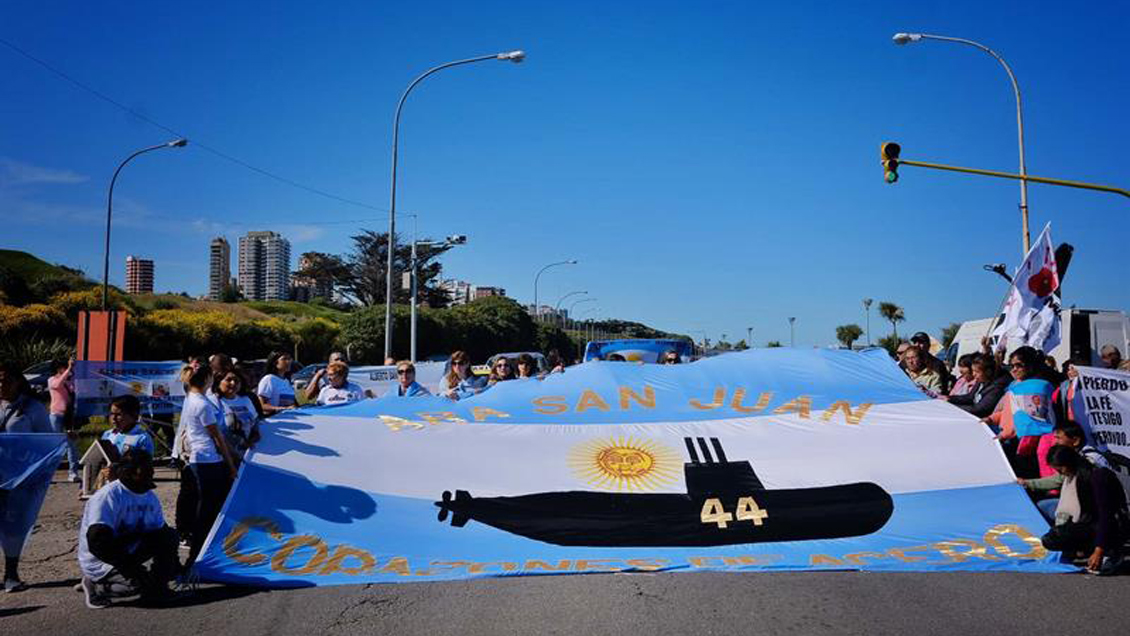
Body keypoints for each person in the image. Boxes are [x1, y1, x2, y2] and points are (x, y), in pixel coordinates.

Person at [78, 449, 179, 608]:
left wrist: (172, 568)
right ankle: (97, 584)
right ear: (129, 472)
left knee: (169, 536)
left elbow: (161, 534)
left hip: (127, 550)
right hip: (101, 558)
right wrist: (132, 570)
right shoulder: (108, 496)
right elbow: (98, 542)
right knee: (136, 586)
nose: (150, 471)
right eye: (144, 468)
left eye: (150, 467)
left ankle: (157, 589)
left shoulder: (149, 497)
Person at [176, 365, 238, 569]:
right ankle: (197, 556)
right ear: (207, 380)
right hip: (207, 460)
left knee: (206, 509)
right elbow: (217, 437)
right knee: (208, 511)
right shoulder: (202, 404)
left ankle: (200, 553)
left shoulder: (191, 398)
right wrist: (231, 465)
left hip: (199, 458)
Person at [0, 361, 54, 592]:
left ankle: (11, 575)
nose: (1, 385)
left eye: (6, 380)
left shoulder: (33, 408)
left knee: (14, 526)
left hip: (19, 478)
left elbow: (47, 442)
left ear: (18, 382)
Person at [1039, 445, 1128, 575]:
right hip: (1092, 522)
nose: (1060, 473)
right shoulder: (1076, 477)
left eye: (1061, 469)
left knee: (1102, 569)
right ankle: (1086, 549)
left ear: (1069, 462)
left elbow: (1106, 516)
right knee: (1052, 539)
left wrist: (1099, 551)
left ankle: (1111, 552)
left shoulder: (1098, 476)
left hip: (1113, 525)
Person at [985, 347, 1058, 477]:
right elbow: (1009, 412)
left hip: (1029, 440)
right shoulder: (1014, 387)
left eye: (1019, 365)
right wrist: (990, 419)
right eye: (1012, 365)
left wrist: (1005, 434)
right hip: (1011, 438)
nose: (1014, 369)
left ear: (1030, 365)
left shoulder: (1040, 387)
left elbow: (1028, 417)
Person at [1019, 421, 1112, 523]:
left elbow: (1075, 502)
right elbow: (1058, 479)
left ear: (1075, 441)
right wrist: (1027, 483)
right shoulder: (1073, 460)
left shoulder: (1088, 464)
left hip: (1090, 514)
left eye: (1059, 438)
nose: (1055, 442)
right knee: (1042, 506)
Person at [215, 369, 260, 465]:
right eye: (229, 380)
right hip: (223, 458)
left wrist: (253, 437)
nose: (233, 383)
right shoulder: (214, 402)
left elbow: (255, 423)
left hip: (246, 456)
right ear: (219, 382)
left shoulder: (246, 400)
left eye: (237, 380)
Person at [47, 357, 81, 482]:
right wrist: (69, 369)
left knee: (71, 444)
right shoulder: (51, 380)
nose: (66, 369)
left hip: (68, 416)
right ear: (57, 369)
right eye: (64, 367)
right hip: (55, 415)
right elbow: (57, 384)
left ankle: (73, 473)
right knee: (54, 445)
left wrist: (72, 372)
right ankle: (48, 473)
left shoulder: (69, 381)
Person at [256, 351, 296, 415]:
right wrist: (283, 409)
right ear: (275, 362)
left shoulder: (286, 381)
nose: (288, 362)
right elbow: (261, 405)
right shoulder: (269, 379)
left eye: (289, 359)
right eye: (284, 359)